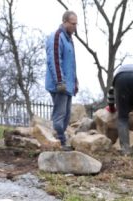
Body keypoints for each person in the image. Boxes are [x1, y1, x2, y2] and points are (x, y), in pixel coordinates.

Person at [45, 11, 78, 150]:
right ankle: (59, 142)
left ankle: (61, 141)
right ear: (64, 21)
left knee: (66, 115)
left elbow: (71, 64)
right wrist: (60, 81)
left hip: (68, 85)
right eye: (73, 23)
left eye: (76, 24)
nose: (75, 27)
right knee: (60, 114)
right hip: (60, 84)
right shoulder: (57, 36)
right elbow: (54, 60)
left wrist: (75, 81)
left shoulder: (69, 40)